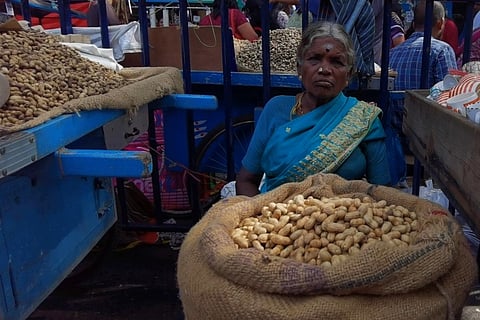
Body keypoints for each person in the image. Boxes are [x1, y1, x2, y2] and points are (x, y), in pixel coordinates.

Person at [235, 21, 391, 196]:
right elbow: (246, 180)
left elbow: (382, 193)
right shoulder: (276, 109)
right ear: (299, 68)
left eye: (336, 62)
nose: (324, 69)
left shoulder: (363, 119)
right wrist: (262, 218)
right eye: (314, 59)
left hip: (342, 219)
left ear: (348, 74)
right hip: (276, 217)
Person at [387, 0, 458, 187]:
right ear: (441, 23)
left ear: (412, 23)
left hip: (397, 137)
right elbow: (452, 99)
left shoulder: (393, 53)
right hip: (428, 141)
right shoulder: (442, 50)